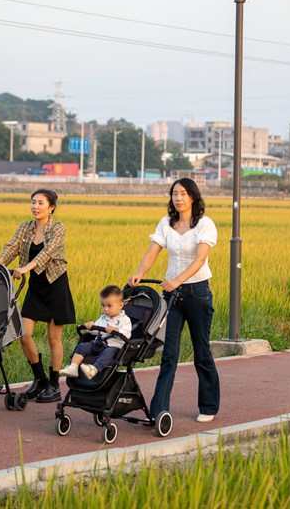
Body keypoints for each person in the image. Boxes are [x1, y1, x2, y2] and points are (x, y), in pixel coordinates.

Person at [129, 177, 220, 423]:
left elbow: (200, 259)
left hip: (198, 293)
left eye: (183, 194)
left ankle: (209, 406)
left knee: (201, 351)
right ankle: (159, 410)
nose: (178, 198)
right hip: (171, 296)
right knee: (169, 353)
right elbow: (152, 252)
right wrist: (140, 272)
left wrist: (178, 280)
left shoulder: (204, 224)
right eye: (174, 194)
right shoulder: (166, 224)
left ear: (193, 197)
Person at [0, 189, 75, 403]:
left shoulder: (58, 228)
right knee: (24, 334)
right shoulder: (25, 227)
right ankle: (40, 379)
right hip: (36, 288)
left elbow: (47, 253)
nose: (35, 207)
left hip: (55, 285)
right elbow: (12, 246)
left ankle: (54, 385)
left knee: (53, 338)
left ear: (51, 208)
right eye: (33, 202)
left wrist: (25, 268)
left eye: (40, 203)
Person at [59, 285, 132, 380]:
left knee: (108, 353)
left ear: (121, 305)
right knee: (83, 346)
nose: (105, 309)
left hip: (113, 346)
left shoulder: (125, 320)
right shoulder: (103, 317)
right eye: (103, 305)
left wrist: (117, 330)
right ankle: (73, 367)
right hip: (98, 343)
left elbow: (127, 334)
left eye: (109, 306)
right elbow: (96, 332)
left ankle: (93, 369)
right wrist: (91, 327)